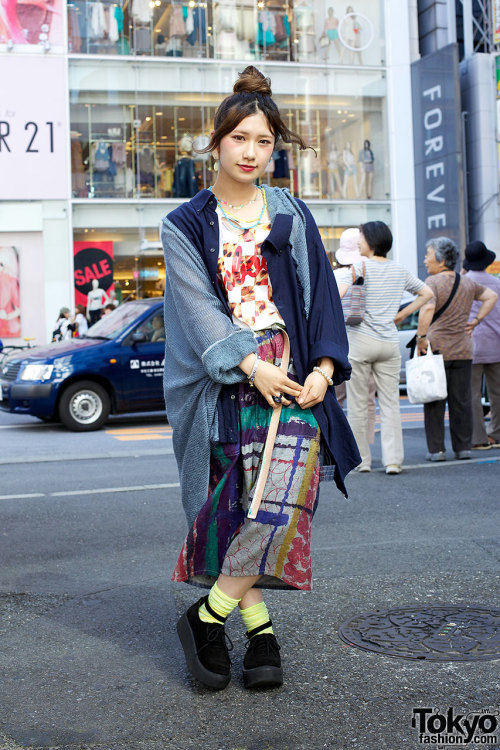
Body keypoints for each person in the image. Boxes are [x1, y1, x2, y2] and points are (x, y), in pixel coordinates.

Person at [161, 65, 360, 692]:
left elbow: (322, 297)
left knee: (282, 505)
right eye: (240, 138)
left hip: (295, 378)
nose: (252, 152)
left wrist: (325, 369)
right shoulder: (185, 224)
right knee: (234, 509)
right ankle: (261, 630)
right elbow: (197, 311)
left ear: (276, 148)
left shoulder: (292, 214)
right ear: (216, 143)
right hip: (226, 381)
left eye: (265, 141)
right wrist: (252, 365)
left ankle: (207, 615)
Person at [337, 221, 433, 474]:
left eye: (361, 238)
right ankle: (393, 461)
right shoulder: (400, 270)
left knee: (358, 404)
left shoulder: (359, 267)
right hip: (389, 343)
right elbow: (427, 293)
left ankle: (363, 461)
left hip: (359, 343)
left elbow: (337, 296)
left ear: (371, 240)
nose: (359, 242)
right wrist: (402, 315)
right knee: (390, 403)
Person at [416, 237, 498, 461]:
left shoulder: (431, 283)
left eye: (428, 255)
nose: (425, 260)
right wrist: (477, 320)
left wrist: (421, 337)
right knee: (461, 401)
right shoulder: (467, 282)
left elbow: (426, 310)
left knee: (434, 402)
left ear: (441, 260)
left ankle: (437, 450)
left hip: (438, 349)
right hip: (463, 349)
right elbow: (491, 297)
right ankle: (462, 448)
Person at [333, 227, 376, 443]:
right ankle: (365, 442)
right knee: (367, 399)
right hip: (368, 341)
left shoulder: (336, 275)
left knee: (337, 397)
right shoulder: (371, 275)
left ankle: (340, 442)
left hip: (340, 344)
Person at [462, 241, 500, 449]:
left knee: (473, 394)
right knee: (497, 393)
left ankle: (478, 438)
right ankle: (497, 433)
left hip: (471, 344)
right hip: (496, 343)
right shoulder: (496, 283)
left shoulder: (464, 282)